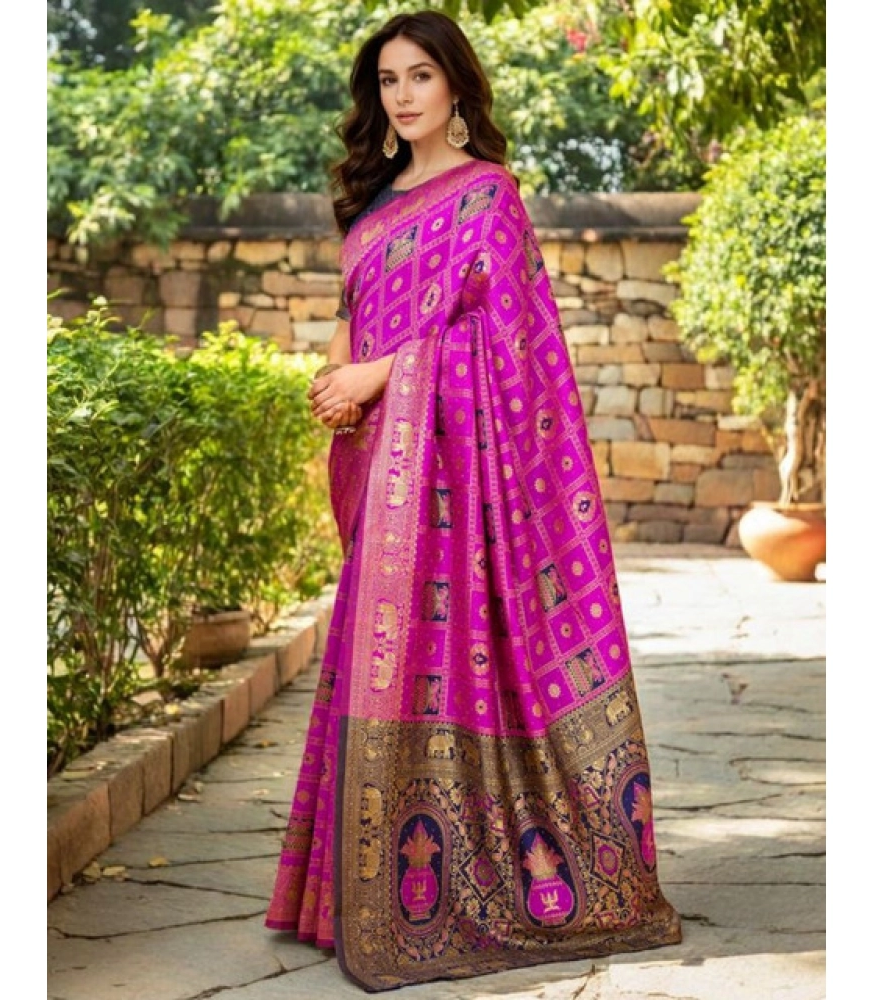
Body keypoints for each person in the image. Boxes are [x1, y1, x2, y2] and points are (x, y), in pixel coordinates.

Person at [265, 9, 682, 992]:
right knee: (375, 661)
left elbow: (506, 344)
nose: (402, 95)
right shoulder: (372, 203)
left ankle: (469, 877)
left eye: (419, 76)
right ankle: (357, 889)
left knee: (451, 655)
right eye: (388, 80)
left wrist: (379, 377)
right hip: (384, 467)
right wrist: (339, 378)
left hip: (458, 476)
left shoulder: (489, 195)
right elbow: (352, 313)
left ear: (455, 85)